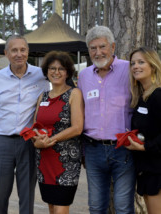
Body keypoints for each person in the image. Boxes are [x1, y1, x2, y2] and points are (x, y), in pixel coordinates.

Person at [0, 35, 49, 214]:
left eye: (23, 50)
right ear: (6, 53)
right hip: (2, 142)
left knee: (27, 195)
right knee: (0, 195)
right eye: (14, 50)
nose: (19, 54)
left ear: (28, 52)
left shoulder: (41, 76)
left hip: (29, 143)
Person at [77, 26, 135, 213]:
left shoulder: (129, 69)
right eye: (93, 48)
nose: (98, 52)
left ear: (113, 47)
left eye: (102, 46)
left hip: (123, 149)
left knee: (123, 207)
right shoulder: (84, 76)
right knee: (96, 206)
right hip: (93, 150)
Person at [32, 51, 84, 214]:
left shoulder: (74, 93)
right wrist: (36, 141)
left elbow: (77, 127)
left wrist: (51, 139)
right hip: (44, 159)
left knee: (61, 207)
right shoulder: (43, 96)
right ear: (47, 72)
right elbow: (34, 125)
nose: (56, 72)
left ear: (68, 72)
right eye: (52, 68)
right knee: (52, 207)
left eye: (61, 69)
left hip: (66, 161)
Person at [126, 46, 161, 213]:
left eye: (141, 62)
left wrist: (144, 146)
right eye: (133, 63)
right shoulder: (142, 96)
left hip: (157, 169)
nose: (135, 66)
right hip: (146, 167)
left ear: (153, 66)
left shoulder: (158, 95)